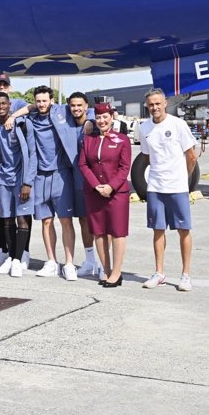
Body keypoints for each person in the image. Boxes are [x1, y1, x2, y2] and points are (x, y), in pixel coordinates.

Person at [13, 86, 80, 280]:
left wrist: (90, 122)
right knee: (46, 221)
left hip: (61, 174)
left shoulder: (62, 112)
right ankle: (52, 262)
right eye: (38, 101)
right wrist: (14, 116)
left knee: (66, 221)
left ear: (52, 100)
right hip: (40, 176)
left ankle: (69, 263)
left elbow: (86, 109)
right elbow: (32, 151)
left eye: (45, 101)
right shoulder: (32, 119)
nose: (42, 104)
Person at [139, 88, 197, 292]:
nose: (154, 107)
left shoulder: (178, 124)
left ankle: (186, 275)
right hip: (155, 186)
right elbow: (147, 157)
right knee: (158, 229)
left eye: (158, 103)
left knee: (183, 230)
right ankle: (159, 273)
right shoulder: (144, 127)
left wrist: (184, 178)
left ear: (165, 103)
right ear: (147, 106)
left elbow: (191, 156)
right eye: (151, 104)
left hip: (177, 186)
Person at [78, 103, 131, 287]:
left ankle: (116, 272)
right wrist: (96, 185)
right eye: (98, 117)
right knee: (98, 232)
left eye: (105, 117)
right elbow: (83, 164)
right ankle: (106, 270)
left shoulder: (122, 139)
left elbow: (125, 167)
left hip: (116, 194)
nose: (101, 121)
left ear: (111, 117)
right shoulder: (89, 140)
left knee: (117, 232)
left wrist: (110, 186)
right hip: (94, 193)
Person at [0, 92, 36, 278]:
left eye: (4, 103)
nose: (1, 107)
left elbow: (32, 154)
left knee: (22, 219)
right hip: (2, 180)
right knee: (7, 219)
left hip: (21, 180)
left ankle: (17, 260)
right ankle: (11, 256)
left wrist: (27, 182)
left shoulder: (23, 124)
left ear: (9, 105)